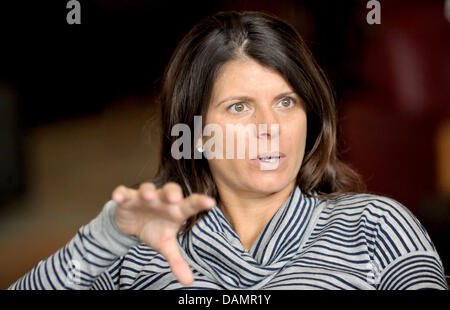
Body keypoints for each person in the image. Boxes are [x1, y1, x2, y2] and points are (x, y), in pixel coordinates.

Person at [9, 11, 447, 290]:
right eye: (240, 107)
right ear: (196, 133)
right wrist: (104, 238)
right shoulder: (139, 251)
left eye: (285, 102)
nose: (270, 128)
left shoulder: (375, 226)